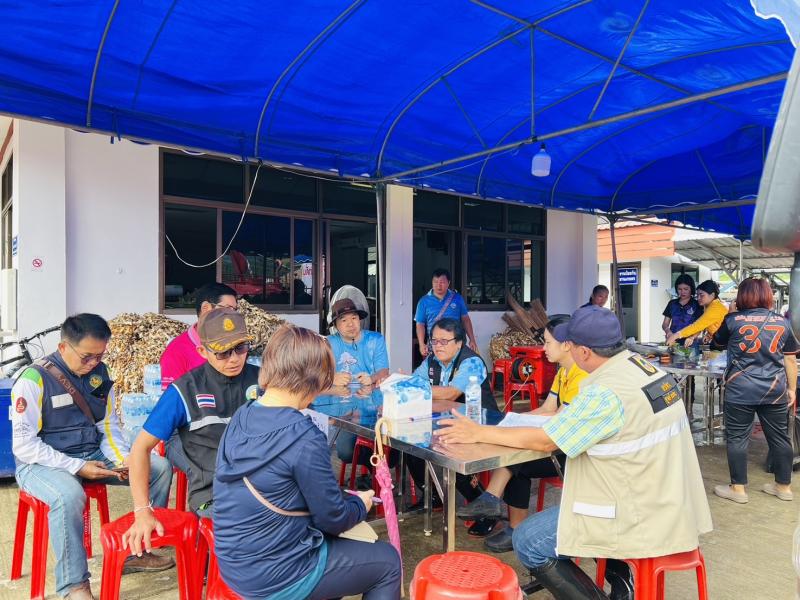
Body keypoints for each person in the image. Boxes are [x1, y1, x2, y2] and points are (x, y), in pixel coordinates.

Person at [435, 306, 712, 600]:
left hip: (635, 512)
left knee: (528, 541)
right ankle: (621, 581)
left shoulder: (605, 392)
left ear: (582, 352)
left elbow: (548, 441)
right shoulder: (644, 368)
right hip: (670, 500)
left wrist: (478, 433)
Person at [213, 325, 402, 599]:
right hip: (278, 572)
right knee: (388, 562)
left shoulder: (242, 415)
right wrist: (360, 505)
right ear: (314, 380)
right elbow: (333, 519)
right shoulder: (303, 436)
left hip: (233, 562)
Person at [12, 314, 174, 600]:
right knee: (69, 495)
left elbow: (107, 424)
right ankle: (74, 585)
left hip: (90, 451)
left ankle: (139, 551)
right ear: (63, 347)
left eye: (99, 356)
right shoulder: (33, 380)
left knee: (157, 467)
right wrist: (77, 466)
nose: (93, 363)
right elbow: (25, 446)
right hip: (42, 463)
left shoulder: (100, 373)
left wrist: (124, 458)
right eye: (86, 357)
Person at [122, 308, 259, 557]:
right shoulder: (185, 390)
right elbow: (141, 447)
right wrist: (142, 511)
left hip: (265, 484)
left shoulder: (263, 380)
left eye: (241, 348)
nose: (234, 359)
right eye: (223, 352)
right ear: (203, 351)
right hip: (215, 493)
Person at [456, 315, 588, 553]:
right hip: (554, 441)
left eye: (548, 343)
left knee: (518, 460)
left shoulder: (581, 375)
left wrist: (519, 428)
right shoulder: (563, 372)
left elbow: (560, 418)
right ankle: (500, 511)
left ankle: (497, 506)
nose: (543, 348)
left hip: (572, 453)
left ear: (567, 345)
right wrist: (515, 420)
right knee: (515, 452)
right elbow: (547, 409)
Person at [408, 317, 500, 536]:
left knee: (453, 452)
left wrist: (414, 387)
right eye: (434, 341)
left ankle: (485, 510)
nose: (437, 346)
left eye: (444, 341)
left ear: (459, 343)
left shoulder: (471, 361)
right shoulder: (432, 361)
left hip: (480, 423)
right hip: (447, 421)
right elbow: (414, 380)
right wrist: (409, 384)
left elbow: (451, 393)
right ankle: (432, 496)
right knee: (411, 443)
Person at [712, 277, 797, 504]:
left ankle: (738, 490)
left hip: (740, 389)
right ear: (768, 296)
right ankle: (783, 487)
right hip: (774, 389)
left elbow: (716, 343)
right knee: (780, 438)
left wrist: (731, 313)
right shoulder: (782, 322)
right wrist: (792, 389)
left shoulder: (732, 320)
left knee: (737, 438)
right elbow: (790, 360)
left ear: (742, 296)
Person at [159, 282, 238, 477]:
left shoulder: (235, 347)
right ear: (206, 308)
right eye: (228, 309)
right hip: (186, 431)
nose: (233, 316)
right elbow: (173, 412)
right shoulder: (177, 351)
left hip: (224, 425)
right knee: (216, 471)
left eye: (235, 311)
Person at [327, 297, 391, 477]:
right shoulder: (329, 343)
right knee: (345, 452)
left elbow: (384, 371)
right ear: (336, 326)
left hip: (374, 407)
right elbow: (316, 374)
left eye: (354, 318)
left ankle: (374, 473)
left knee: (387, 446)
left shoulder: (375, 339)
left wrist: (372, 378)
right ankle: (373, 469)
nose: (350, 324)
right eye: (343, 320)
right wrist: (332, 377)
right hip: (343, 410)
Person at [415, 268, 478, 358]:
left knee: (456, 365)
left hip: (455, 343)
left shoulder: (457, 298)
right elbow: (420, 324)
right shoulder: (423, 301)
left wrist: (472, 339)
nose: (438, 285)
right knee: (435, 366)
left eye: (442, 282)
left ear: (448, 283)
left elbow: (465, 319)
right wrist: (421, 344)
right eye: (435, 282)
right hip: (436, 344)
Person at [666, 280, 727, 347]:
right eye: (697, 295)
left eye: (701, 295)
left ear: (712, 295)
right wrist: (709, 335)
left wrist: (675, 336)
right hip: (718, 340)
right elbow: (713, 324)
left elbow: (698, 325)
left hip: (725, 343)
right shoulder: (708, 306)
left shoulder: (716, 308)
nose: (698, 298)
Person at [662, 273, 701, 340]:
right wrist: (668, 332)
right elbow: (665, 324)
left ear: (691, 289)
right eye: (679, 289)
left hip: (690, 342)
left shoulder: (697, 304)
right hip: (673, 340)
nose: (682, 292)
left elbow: (700, 326)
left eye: (686, 289)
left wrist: (692, 337)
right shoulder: (672, 303)